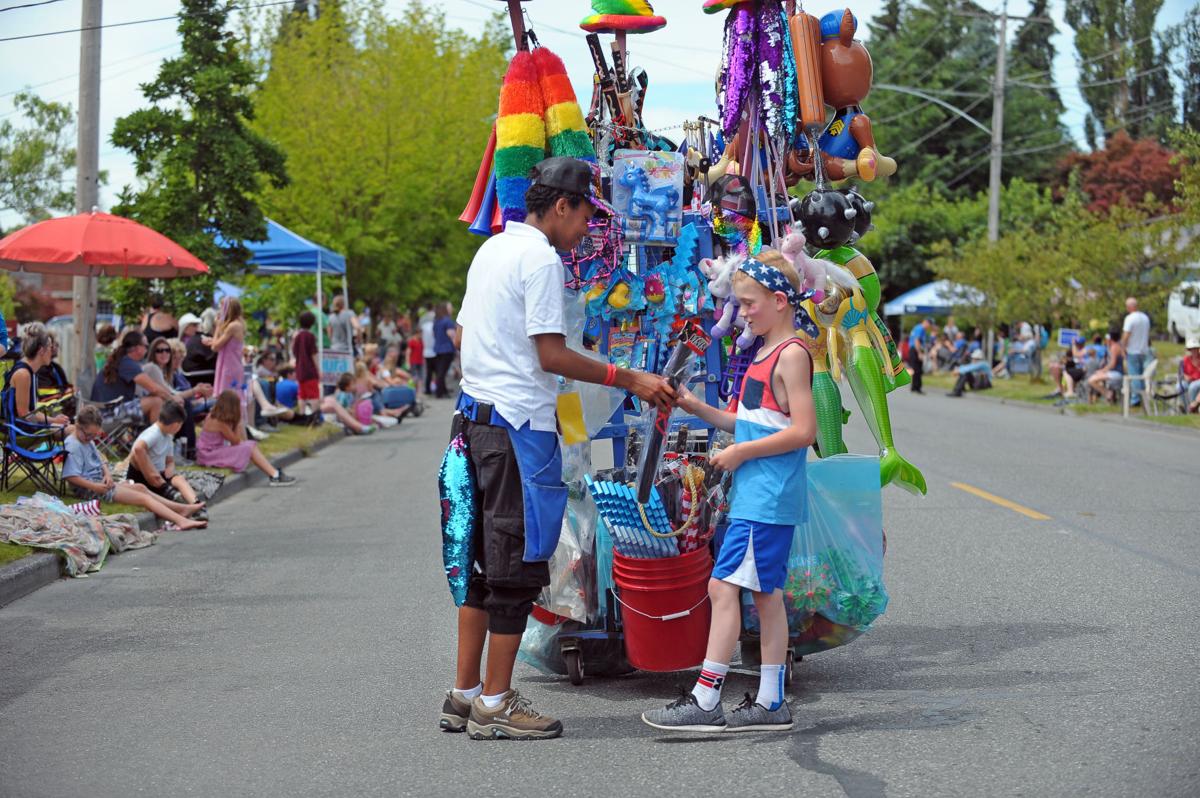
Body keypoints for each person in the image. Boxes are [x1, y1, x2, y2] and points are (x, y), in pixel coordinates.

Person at [439, 157, 674, 741]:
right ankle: (496, 703)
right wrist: (630, 378)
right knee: (516, 566)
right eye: (586, 217)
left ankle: (464, 694)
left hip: (471, 422)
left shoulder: (492, 249)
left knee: (476, 562)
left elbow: (465, 338)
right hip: (518, 429)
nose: (586, 231)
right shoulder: (540, 259)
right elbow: (551, 354)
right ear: (562, 205)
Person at [640, 249, 813, 734]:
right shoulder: (763, 353)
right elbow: (752, 422)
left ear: (780, 301)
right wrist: (696, 407)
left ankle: (706, 697)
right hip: (761, 495)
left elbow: (803, 431)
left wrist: (740, 454)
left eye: (750, 303)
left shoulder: (791, 355)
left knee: (722, 587)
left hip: (766, 496)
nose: (742, 312)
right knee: (766, 596)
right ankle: (772, 700)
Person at [64, 406, 207, 529]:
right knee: (144, 498)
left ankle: (182, 509)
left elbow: (101, 459)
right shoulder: (74, 445)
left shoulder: (87, 440)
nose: (91, 438)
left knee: (141, 488)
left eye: (95, 435)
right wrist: (95, 487)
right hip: (91, 490)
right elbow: (71, 476)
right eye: (89, 435)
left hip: (100, 484)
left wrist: (107, 474)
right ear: (77, 426)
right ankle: (181, 520)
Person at [197, 390, 296, 485]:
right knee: (248, 446)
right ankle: (275, 475)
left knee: (249, 445)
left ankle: (274, 473)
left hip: (210, 451)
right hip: (209, 454)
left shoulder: (213, 416)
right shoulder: (219, 422)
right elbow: (235, 441)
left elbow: (236, 442)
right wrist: (237, 423)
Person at [126, 400, 201, 507]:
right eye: (181, 425)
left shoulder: (168, 436)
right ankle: (173, 496)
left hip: (160, 476)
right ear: (176, 425)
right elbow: (138, 448)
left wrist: (170, 469)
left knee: (179, 479)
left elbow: (169, 461)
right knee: (151, 469)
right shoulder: (154, 433)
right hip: (145, 478)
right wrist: (150, 473)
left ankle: (196, 503)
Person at [91, 330, 172, 423]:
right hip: (107, 414)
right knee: (156, 402)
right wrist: (173, 400)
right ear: (138, 348)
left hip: (105, 411)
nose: (147, 349)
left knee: (153, 399)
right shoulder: (127, 363)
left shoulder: (122, 360)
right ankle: (154, 437)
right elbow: (154, 388)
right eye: (146, 346)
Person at [4, 327, 70, 430]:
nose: (52, 351)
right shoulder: (23, 374)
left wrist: (54, 420)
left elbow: (30, 411)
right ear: (41, 350)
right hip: (18, 431)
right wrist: (52, 422)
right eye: (50, 347)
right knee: (71, 431)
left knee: (71, 429)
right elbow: (24, 415)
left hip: (24, 426)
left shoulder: (31, 371)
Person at [207, 297, 247, 426]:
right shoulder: (238, 324)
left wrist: (218, 327)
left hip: (229, 367)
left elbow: (215, 347)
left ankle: (234, 430)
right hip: (230, 365)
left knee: (228, 400)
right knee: (231, 400)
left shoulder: (232, 326)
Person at [1121, 297, 1151, 407]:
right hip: (1144, 349)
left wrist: (1123, 348)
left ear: (1129, 307)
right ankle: (1142, 396)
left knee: (1134, 375)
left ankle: (1135, 399)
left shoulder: (1130, 318)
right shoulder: (1145, 318)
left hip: (1133, 350)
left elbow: (1126, 335)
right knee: (1142, 375)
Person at [292, 310, 321, 414]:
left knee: (302, 395)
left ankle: (302, 415)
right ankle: (315, 416)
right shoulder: (310, 336)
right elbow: (313, 354)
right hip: (310, 370)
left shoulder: (296, 336)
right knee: (314, 394)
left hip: (300, 369)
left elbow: (294, 352)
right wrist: (319, 369)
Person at [1087, 330, 1126, 404]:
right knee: (1096, 378)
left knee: (1091, 380)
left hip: (1117, 373)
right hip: (1118, 372)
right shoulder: (1119, 346)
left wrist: (1103, 371)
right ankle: (1109, 395)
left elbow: (1113, 363)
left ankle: (1108, 394)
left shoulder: (1114, 347)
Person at [431, 302, 458, 399]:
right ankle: (440, 392)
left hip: (438, 348)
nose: (452, 309)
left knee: (440, 371)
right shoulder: (448, 321)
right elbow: (452, 335)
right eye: (450, 308)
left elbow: (433, 334)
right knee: (442, 372)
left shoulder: (436, 321)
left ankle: (443, 390)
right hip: (447, 349)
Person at [907, 319, 929, 393]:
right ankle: (917, 387)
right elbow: (917, 340)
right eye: (929, 324)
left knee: (916, 369)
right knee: (918, 369)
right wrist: (919, 353)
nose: (928, 327)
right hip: (916, 350)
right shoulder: (921, 328)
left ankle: (914, 387)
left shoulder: (918, 327)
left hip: (914, 349)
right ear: (926, 322)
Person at [419, 308, 436, 394]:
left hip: (426, 352)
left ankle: (427, 389)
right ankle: (435, 387)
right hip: (434, 351)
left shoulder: (423, 327)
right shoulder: (434, 325)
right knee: (435, 371)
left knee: (428, 372)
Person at [1181, 335, 1200, 413]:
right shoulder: (1186, 359)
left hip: (1198, 380)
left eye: (1195, 348)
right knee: (1180, 386)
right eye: (1192, 349)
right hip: (1189, 380)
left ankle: (1192, 408)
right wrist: (1186, 377)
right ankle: (1186, 407)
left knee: (1193, 387)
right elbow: (1182, 373)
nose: (1194, 350)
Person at [407, 324, 426, 397]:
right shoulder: (412, 341)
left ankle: (420, 392)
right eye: (420, 333)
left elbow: (422, 351)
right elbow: (408, 352)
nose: (421, 335)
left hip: (420, 361)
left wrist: (423, 359)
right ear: (416, 333)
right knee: (415, 377)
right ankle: (414, 391)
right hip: (414, 362)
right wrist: (408, 362)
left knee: (421, 377)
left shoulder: (421, 341)